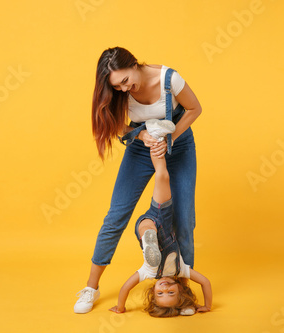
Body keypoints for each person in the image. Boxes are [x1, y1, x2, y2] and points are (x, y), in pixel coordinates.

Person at [74, 47, 202, 314]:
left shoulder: (169, 79)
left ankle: (182, 289)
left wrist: (171, 137)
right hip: (141, 148)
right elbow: (110, 122)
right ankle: (91, 287)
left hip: (177, 146)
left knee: (184, 219)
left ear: (133, 64)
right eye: (117, 86)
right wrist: (142, 137)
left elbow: (194, 108)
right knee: (116, 215)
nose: (124, 88)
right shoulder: (119, 92)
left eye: (124, 81)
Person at [108, 132, 212, 317]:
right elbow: (205, 282)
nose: (165, 288)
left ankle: (149, 238)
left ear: (153, 291)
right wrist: (207, 305)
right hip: (161, 217)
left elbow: (126, 287)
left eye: (160, 293)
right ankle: (150, 238)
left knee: (147, 227)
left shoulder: (148, 272)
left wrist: (121, 307)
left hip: (148, 223)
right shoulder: (181, 269)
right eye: (171, 293)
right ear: (181, 289)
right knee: (162, 175)